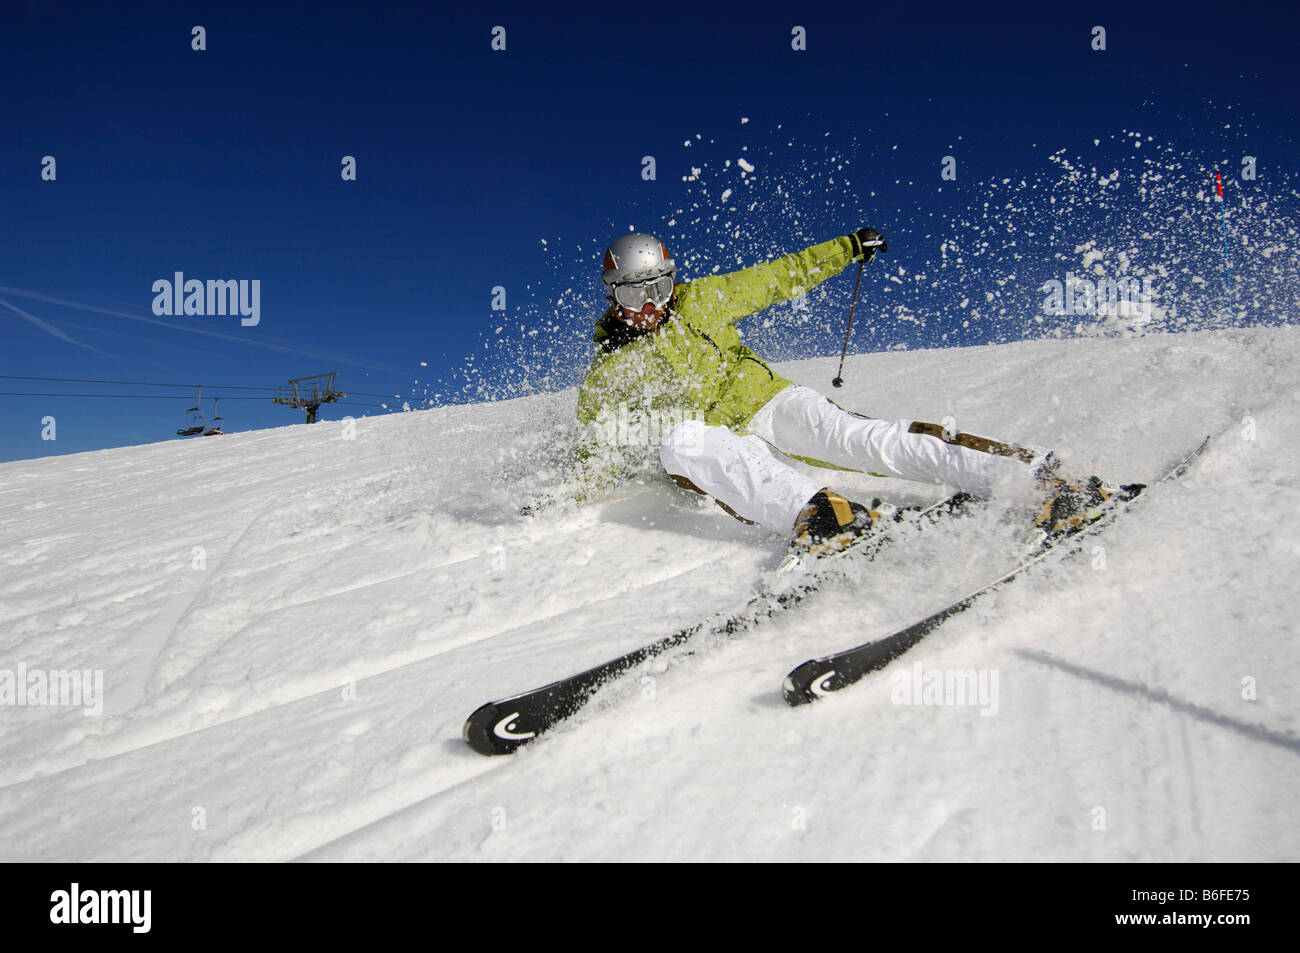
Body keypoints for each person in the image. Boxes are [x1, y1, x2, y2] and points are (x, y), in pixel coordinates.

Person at [570, 229, 1135, 556]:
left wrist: (846, 248)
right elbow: (598, 437)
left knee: (855, 437)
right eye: (632, 296)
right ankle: (823, 517)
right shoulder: (612, 368)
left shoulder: (706, 300)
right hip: (710, 443)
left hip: (763, 398)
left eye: (660, 287)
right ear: (612, 296)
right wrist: (572, 490)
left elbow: (780, 274)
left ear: (674, 279)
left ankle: (1034, 475)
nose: (649, 307)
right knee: (681, 439)